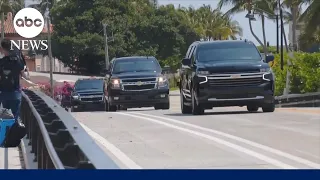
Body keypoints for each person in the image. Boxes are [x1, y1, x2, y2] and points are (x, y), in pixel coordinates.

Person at [0, 39, 28, 121]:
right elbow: (25, 76)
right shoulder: (17, 61)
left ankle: (6, 133)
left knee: (5, 116)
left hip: (4, 93)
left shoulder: (1, 62)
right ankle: (14, 132)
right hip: (15, 93)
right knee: (15, 117)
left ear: (3, 49)